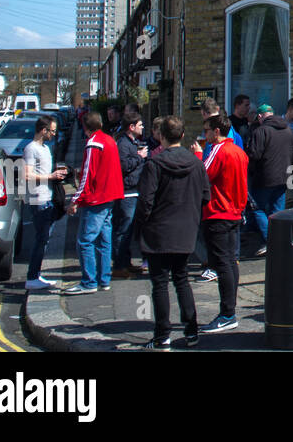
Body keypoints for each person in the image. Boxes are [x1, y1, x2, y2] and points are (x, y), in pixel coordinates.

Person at [136, 115, 211, 350]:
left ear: (162, 136)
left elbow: (145, 203)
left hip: (159, 232)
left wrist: (142, 227)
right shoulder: (197, 163)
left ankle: (162, 337)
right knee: (182, 280)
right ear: (181, 135)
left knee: (159, 285)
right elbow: (206, 196)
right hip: (186, 230)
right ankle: (191, 332)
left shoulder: (154, 165)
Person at [64, 112, 124, 295]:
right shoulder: (109, 140)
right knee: (105, 241)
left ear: (85, 127)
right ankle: (104, 279)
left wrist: (75, 200)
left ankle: (89, 282)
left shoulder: (93, 144)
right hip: (110, 197)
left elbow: (87, 175)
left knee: (85, 241)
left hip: (96, 199)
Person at [200, 115, 247, 334]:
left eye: (207, 130)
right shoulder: (240, 152)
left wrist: (199, 155)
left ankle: (227, 313)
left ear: (217, 131)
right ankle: (229, 311)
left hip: (219, 212)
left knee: (222, 265)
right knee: (230, 262)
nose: (205, 134)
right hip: (235, 212)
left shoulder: (219, 150)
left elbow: (203, 176)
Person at [245, 104, 293, 256]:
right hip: (285, 177)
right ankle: (280, 241)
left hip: (265, 177)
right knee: (278, 212)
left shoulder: (261, 131)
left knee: (257, 208)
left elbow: (254, 155)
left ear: (259, 117)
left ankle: (271, 240)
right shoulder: (287, 130)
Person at [22, 115, 67, 290]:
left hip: (48, 198)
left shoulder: (45, 148)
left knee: (44, 239)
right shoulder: (31, 149)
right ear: (43, 130)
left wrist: (59, 173)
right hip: (38, 199)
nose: (54, 134)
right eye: (52, 131)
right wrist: (50, 176)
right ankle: (32, 277)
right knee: (41, 239)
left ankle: (36, 275)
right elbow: (27, 175)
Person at [113, 110, 148, 277]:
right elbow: (123, 166)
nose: (143, 127)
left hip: (134, 191)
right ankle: (119, 266)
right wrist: (140, 157)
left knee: (129, 231)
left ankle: (125, 263)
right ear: (131, 126)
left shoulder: (131, 142)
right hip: (126, 192)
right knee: (123, 230)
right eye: (140, 125)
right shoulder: (123, 144)